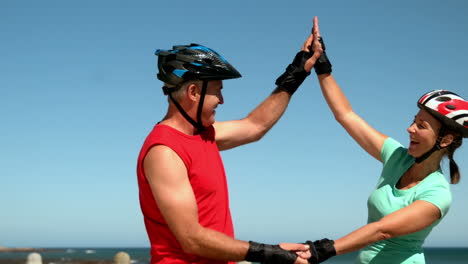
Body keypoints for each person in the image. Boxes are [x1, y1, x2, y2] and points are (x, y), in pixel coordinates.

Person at [136, 18, 325, 264]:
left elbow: (256, 126)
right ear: (194, 92)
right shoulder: (164, 152)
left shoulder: (203, 135)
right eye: (218, 90)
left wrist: (298, 71)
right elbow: (191, 238)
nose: (222, 100)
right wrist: (270, 253)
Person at [294, 18, 468, 264]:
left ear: (446, 139)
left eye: (421, 126)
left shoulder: (437, 195)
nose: (410, 129)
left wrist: (320, 250)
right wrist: (321, 65)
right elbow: (346, 116)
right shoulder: (397, 157)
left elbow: (382, 230)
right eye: (413, 120)